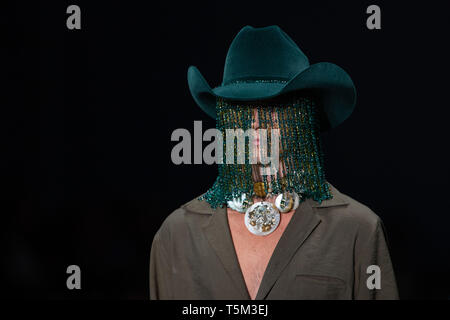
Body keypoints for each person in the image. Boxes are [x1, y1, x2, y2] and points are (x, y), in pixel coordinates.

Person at [150, 25, 399, 300]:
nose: (255, 123)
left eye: (274, 106)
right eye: (241, 108)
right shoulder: (178, 233)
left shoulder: (357, 229)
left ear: (304, 116)